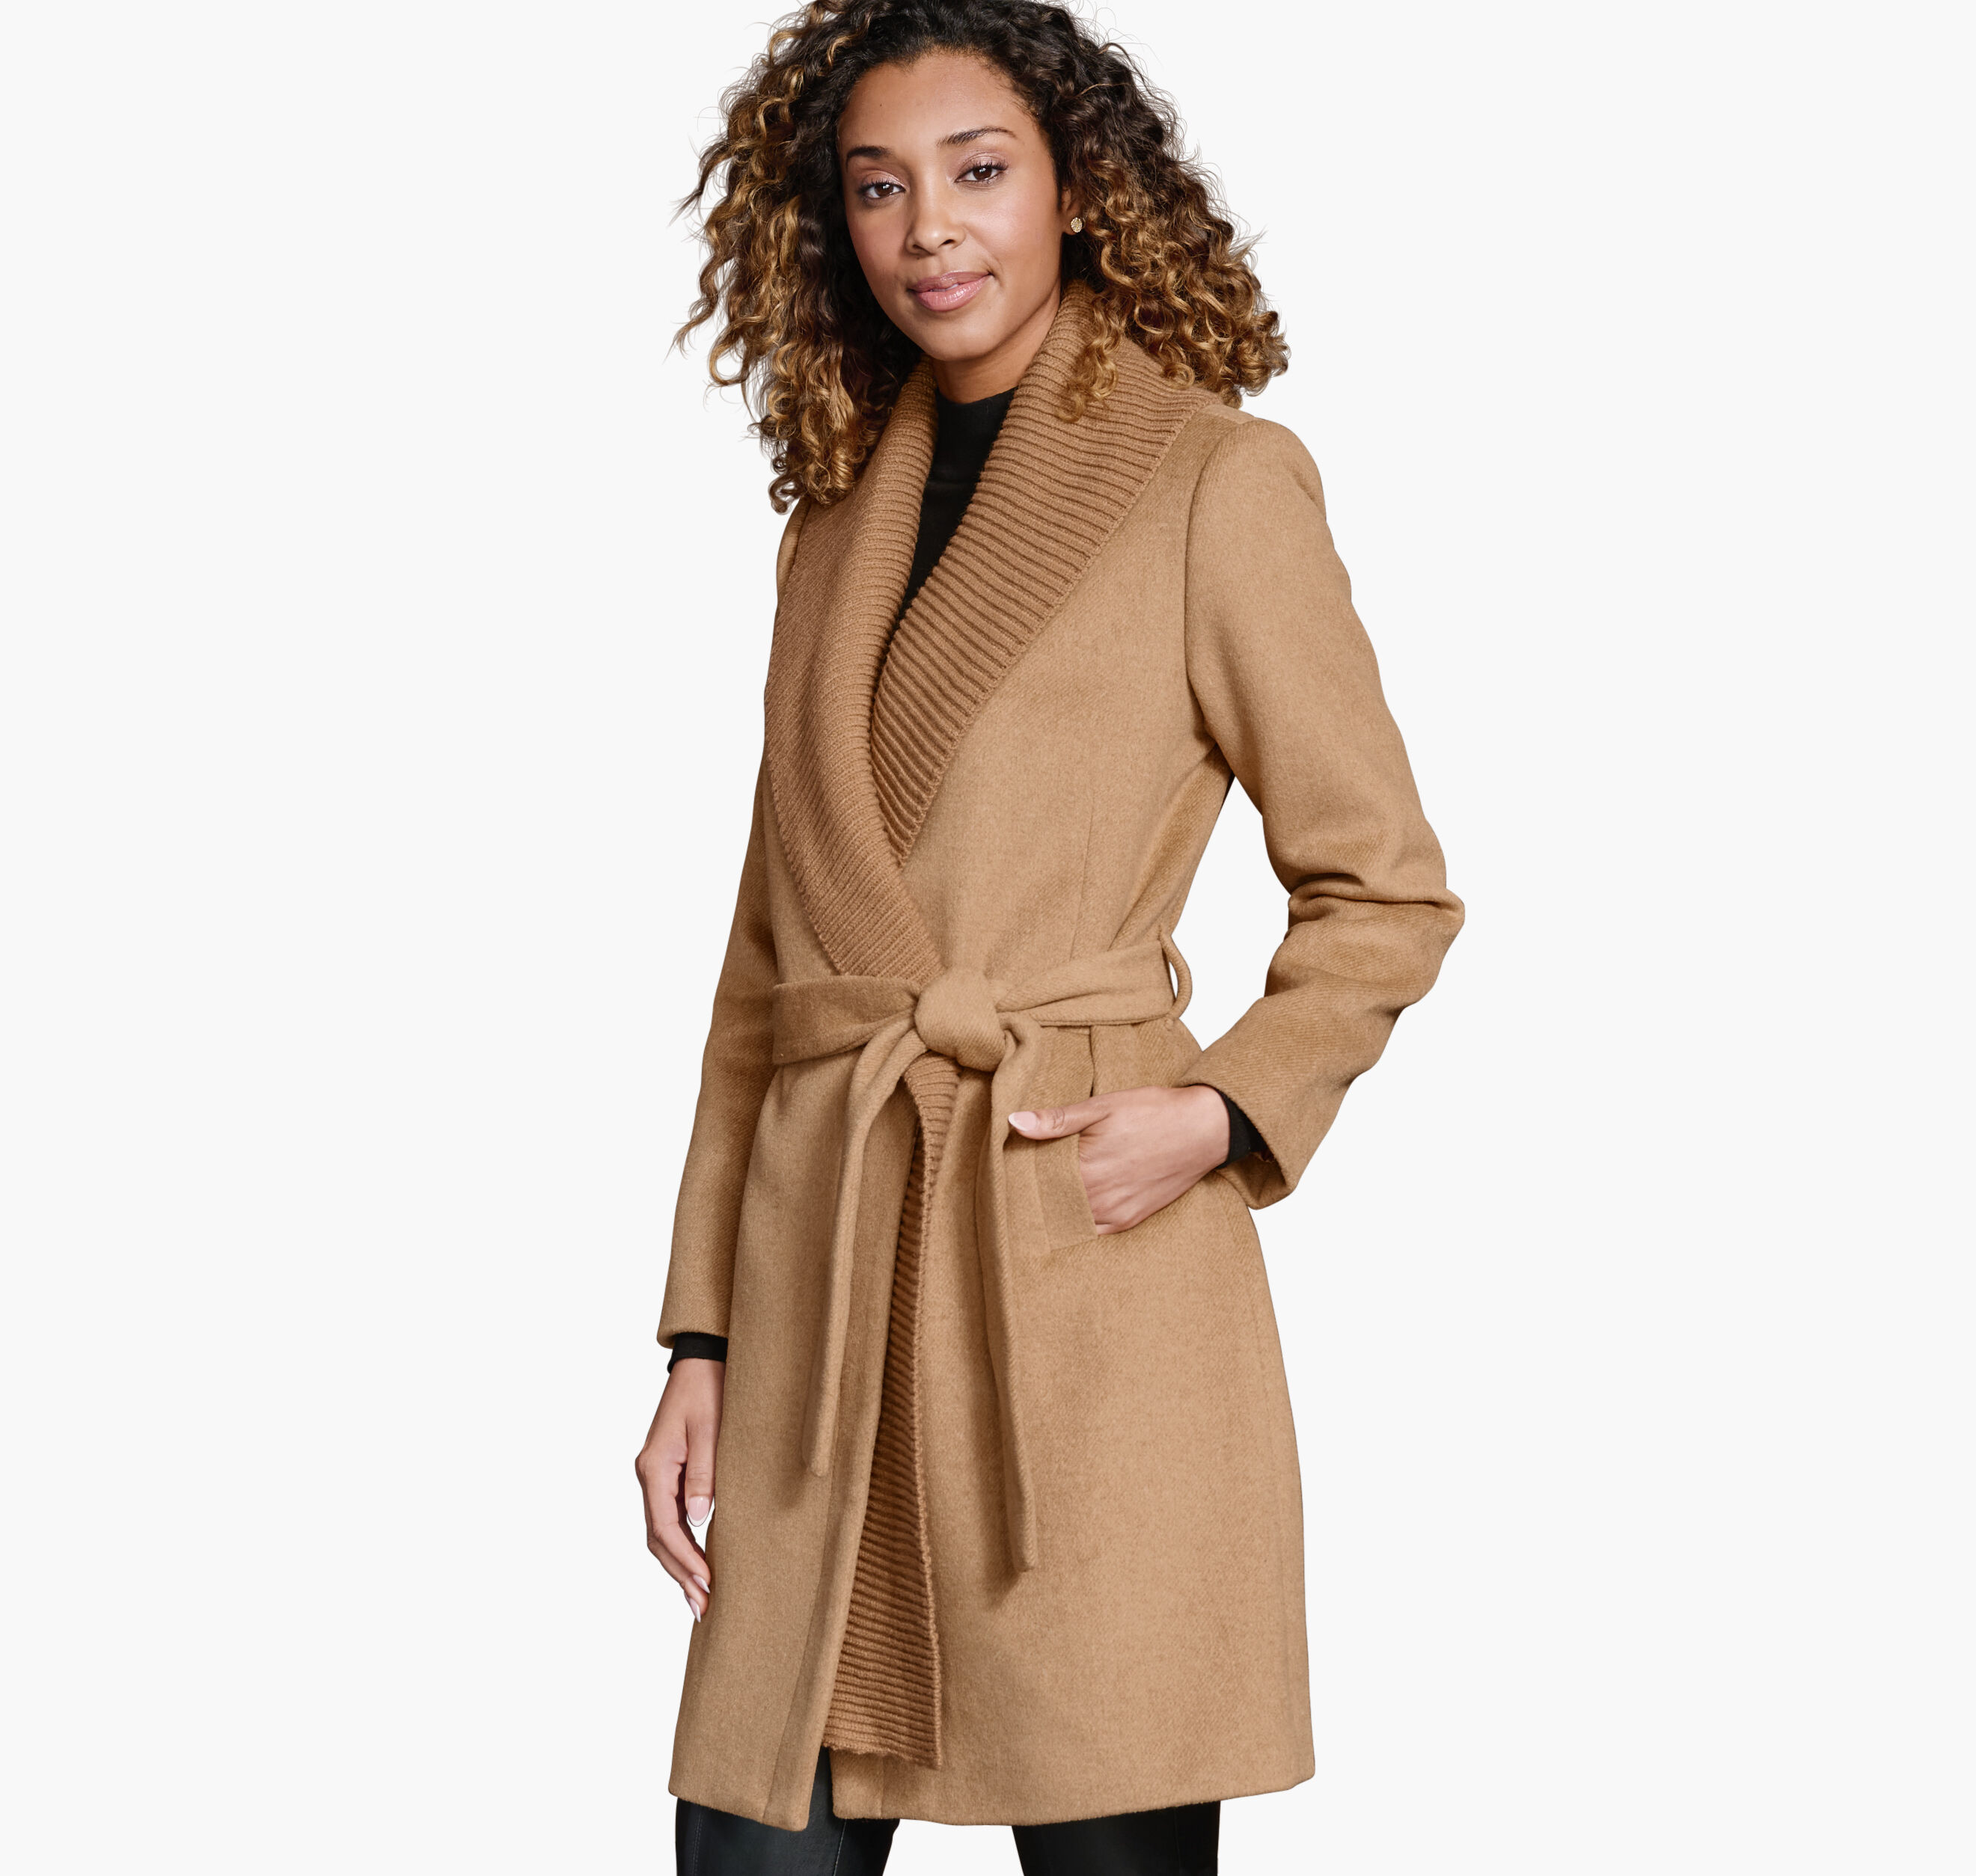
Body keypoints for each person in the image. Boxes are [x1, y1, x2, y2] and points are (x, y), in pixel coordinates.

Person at [635, 3, 1463, 1869]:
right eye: (876, 187)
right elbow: (770, 971)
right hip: (827, 1289)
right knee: (753, 1830)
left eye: (977, 171)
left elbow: (1384, 883)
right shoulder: (830, 523)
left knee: (1107, 1829)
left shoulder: (1211, 481)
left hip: (1072, 1275)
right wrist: (699, 1336)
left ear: (1079, 189)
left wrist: (1220, 1113)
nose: (928, 227)